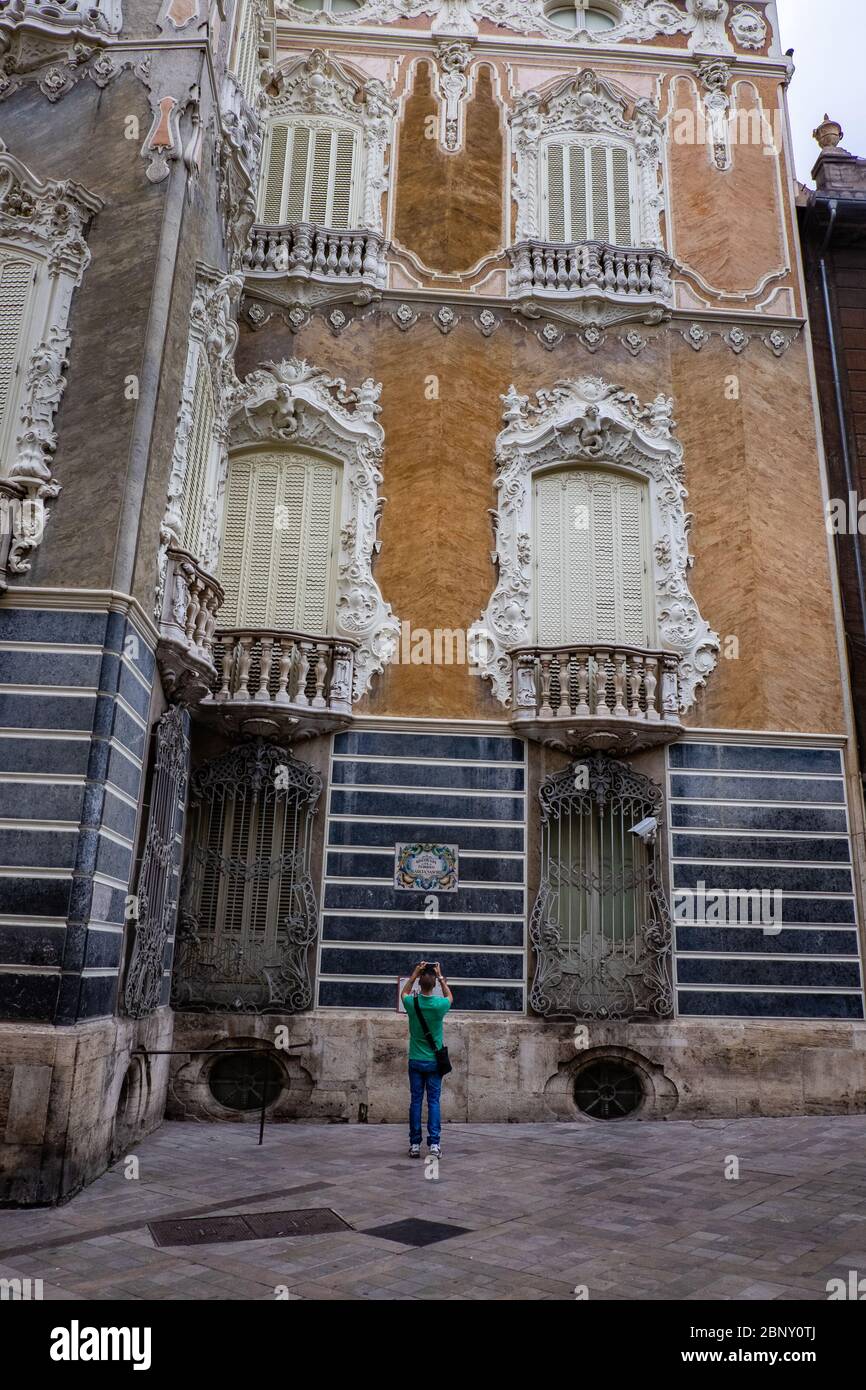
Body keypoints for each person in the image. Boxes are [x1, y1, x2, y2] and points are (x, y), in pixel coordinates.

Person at [402, 960, 452, 1159]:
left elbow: (403, 993)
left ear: (419, 984)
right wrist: (440, 976)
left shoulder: (411, 1003)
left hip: (415, 1060)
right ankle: (435, 1144)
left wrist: (414, 974)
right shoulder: (440, 1005)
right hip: (434, 1062)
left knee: (415, 1102)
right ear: (433, 985)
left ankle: (414, 1144)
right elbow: (450, 996)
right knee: (433, 1102)